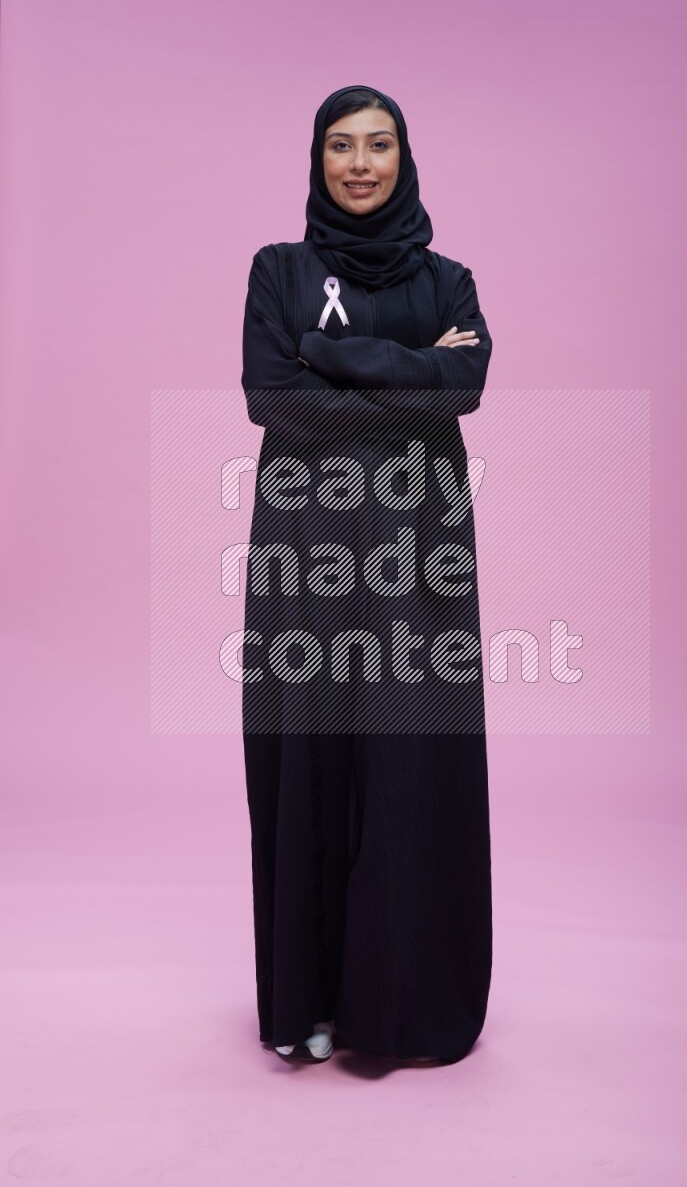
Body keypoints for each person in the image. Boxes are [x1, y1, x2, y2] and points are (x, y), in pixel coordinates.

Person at [240, 84, 493, 1066]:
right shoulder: (277, 269)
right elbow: (273, 398)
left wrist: (330, 356)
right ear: (316, 159)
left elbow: (465, 383)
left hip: (418, 552)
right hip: (303, 547)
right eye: (339, 146)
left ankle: (399, 1007)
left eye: (376, 145)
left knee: (406, 766)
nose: (357, 164)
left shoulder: (449, 280)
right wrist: (405, 376)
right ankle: (305, 1001)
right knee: (308, 754)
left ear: (403, 157)